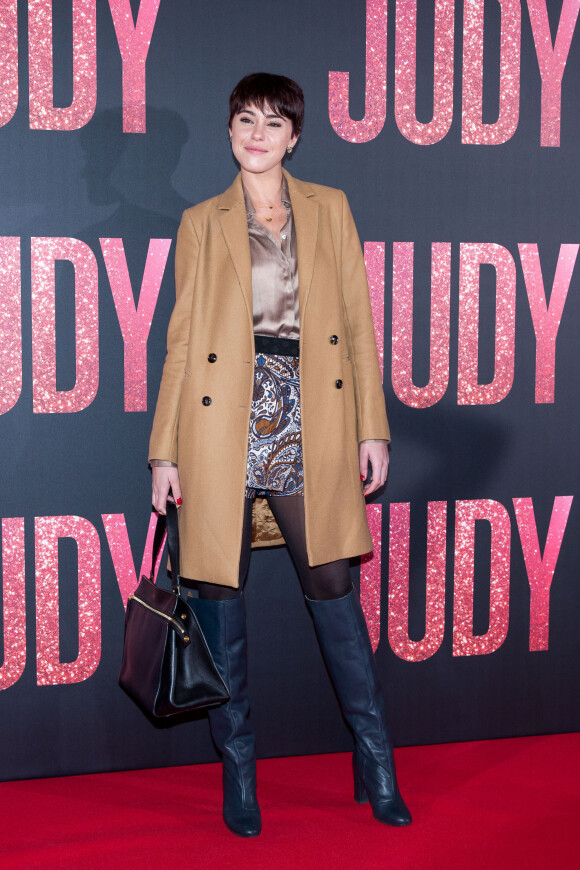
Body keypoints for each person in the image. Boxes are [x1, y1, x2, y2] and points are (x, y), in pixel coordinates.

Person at [149, 72, 411, 837]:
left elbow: (358, 325)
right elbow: (179, 343)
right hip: (219, 425)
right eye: (244, 121)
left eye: (273, 122)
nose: (257, 134)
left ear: (295, 136)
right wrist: (164, 451)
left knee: (334, 595)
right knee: (219, 607)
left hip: (311, 416)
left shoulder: (329, 209)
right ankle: (239, 774)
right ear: (228, 132)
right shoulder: (202, 221)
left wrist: (373, 428)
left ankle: (376, 762)